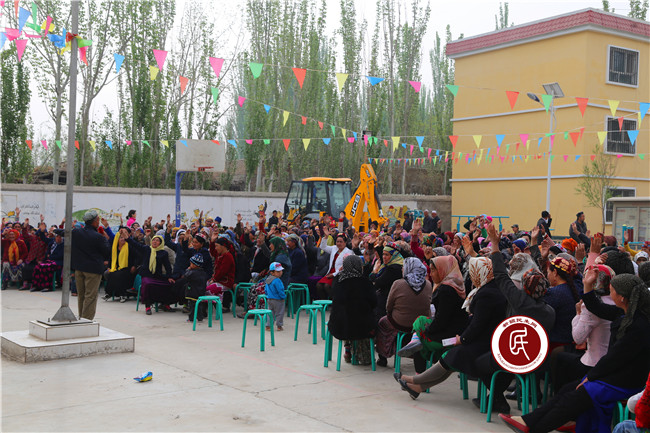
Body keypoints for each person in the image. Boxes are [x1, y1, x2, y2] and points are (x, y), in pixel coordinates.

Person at [500, 272, 650, 433]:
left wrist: (590, 377)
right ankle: (527, 421)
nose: (609, 293)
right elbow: (597, 307)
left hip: (626, 381)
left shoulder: (638, 325)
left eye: (612, 290)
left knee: (577, 395)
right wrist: (587, 285)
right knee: (568, 389)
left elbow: (615, 358)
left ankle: (534, 428)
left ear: (621, 297)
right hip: (613, 374)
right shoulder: (626, 313)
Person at [395, 256, 507, 400]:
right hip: (479, 338)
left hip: (483, 342)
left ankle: (414, 379)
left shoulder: (486, 295)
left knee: (449, 354)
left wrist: (462, 339)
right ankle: (417, 386)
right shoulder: (491, 289)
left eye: (473, 272)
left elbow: (476, 324)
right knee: (450, 356)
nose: (471, 277)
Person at [397, 255, 468, 370]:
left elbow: (442, 320)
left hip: (450, 337)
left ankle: (419, 377)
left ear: (442, 270)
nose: (431, 274)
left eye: (434, 270)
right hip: (455, 331)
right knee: (420, 320)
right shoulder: (456, 285)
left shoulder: (446, 290)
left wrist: (426, 332)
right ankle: (415, 340)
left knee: (420, 343)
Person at [555, 264, 616, 392]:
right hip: (611, 362)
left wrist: (578, 314)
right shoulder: (618, 301)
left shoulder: (592, 307)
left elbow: (578, 338)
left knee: (559, 358)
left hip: (593, 364)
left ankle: (561, 395)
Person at [376, 257, 433, 369]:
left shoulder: (398, 283)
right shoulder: (428, 284)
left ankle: (383, 357)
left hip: (399, 322)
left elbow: (389, 306)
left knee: (382, 323)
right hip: (420, 324)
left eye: (404, 267)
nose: (402, 269)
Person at [328, 254, 377, 365]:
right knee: (363, 320)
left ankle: (348, 348)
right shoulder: (364, 282)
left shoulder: (337, 280)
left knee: (346, 316)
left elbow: (332, 297)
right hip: (362, 328)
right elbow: (374, 302)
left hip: (339, 326)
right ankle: (361, 354)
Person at [70, 210, 111, 320]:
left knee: (81, 295)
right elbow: (107, 252)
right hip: (93, 270)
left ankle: (81, 317)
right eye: (98, 220)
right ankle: (86, 320)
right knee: (90, 296)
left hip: (79, 268)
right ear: (95, 221)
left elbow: (64, 232)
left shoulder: (76, 232)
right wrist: (106, 239)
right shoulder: (98, 237)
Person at [127, 233, 175, 315]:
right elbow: (135, 244)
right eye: (154, 240)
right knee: (148, 284)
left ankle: (165, 304)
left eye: (157, 241)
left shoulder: (163, 253)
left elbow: (167, 266)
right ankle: (148, 306)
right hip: (146, 274)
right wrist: (127, 238)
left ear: (161, 243)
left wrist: (170, 277)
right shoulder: (147, 249)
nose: (155, 242)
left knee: (169, 284)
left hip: (157, 275)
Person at [371, 242, 404, 324]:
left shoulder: (393, 268)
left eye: (387, 255)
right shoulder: (389, 266)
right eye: (383, 254)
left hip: (386, 301)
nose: (384, 257)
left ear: (394, 256)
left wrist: (374, 273)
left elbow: (379, 282)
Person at [316, 226, 352, 299]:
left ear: (345, 242)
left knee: (327, 286)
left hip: (339, 274)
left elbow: (344, 267)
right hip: (330, 272)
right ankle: (324, 303)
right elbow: (323, 247)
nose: (338, 243)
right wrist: (326, 237)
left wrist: (334, 274)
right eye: (337, 241)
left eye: (341, 242)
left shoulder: (348, 252)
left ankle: (335, 302)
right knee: (318, 285)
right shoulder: (334, 248)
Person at [103, 227, 138, 302]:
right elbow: (111, 259)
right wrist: (109, 267)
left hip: (127, 268)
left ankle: (120, 294)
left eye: (123, 237)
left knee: (117, 274)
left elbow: (137, 257)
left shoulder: (129, 246)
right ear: (117, 239)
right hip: (116, 268)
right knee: (111, 273)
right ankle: (111, 293)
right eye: (120, 238)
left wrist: (135, 266)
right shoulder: (115, 248)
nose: (122, 239)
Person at [30, 228, 65, 292]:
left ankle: (48, 286)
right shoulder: (52, 242)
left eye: (60, 237)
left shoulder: (64, 245)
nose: (58, 238)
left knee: (47, 267)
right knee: (38, 267)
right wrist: (41, 230)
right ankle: (36, 285)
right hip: (50, 260)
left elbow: (60, 255)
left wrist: (50, 256)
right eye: (57, 237)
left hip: (58, 262)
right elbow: (47, 252)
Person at [207, 235, 236, 311]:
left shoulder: (228, 256)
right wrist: (212, 241)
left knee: (208, 290)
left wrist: (214, 279)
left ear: (223, 246)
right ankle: (215, 305)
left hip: (225, 282)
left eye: (217, 246)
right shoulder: (220, 254)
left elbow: (222, 271)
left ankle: (217, 306)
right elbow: (213, 252)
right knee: (203, 286)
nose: (216, 248)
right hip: (218, 280)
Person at [176, 253, 208, 323]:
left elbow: (186, 276)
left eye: (191, 264)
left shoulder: (192, 273)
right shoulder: (203, 273)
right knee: (199, 305)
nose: (190, 265)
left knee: (192, 306)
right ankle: (200, 317)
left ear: (195, 265)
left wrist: (188, 270)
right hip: (200, 292)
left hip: (192, 293)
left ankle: (191, 318)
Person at [265, 262, 286, 331]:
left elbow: (265, 290)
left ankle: (268, 326)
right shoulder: (277, 280)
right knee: (280, 313)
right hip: (278, 300)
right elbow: (280, 290)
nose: (280, 273)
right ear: (272, 272)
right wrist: (283, 297)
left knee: (270, 313)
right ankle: (279, 326)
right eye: (278, 271)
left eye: (281, 271)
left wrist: (268, 295)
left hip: (269, 299)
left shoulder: (268, 279)